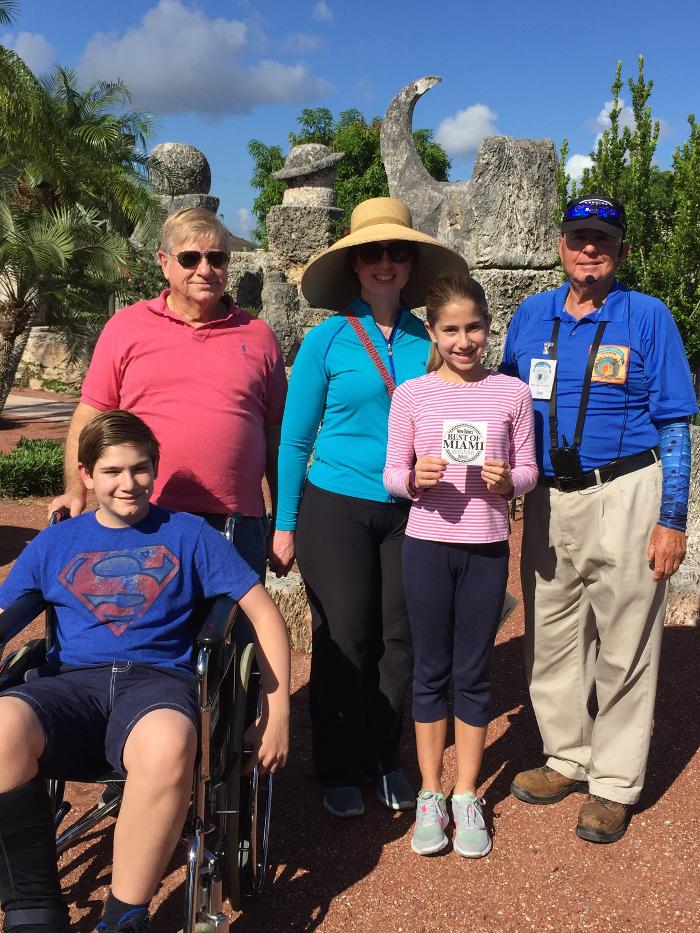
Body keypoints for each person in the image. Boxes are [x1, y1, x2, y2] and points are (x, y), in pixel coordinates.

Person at [0, 410, 291, 933]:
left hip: (157, 683)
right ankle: (33, 907)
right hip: (72, 684)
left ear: (155, 468)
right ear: (87, 474)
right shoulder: (55, 542)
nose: (128, 483)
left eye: (139, 468)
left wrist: (277, 713)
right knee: (2, 726)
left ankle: (124, 917)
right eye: (112, 471)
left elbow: (264, 614)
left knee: (168, 741)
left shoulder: (189, 534)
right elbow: (7, 613)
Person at [502, 194, 698, 843]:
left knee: (626, 641)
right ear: (560, 245)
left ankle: (613, 781)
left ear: (621, 250)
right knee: (551, 634)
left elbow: (675, 422)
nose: (590, 249)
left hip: (626, 490)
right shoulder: (531, 315)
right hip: (548, 498)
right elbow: (503, 402)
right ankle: (567, 755)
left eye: (603, 239)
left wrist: (673, 519)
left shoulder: (647, 316)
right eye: (579, 237)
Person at [270, 197, 468, 818]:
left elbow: (458, 414)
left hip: (412, 507)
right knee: (346, 635)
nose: (385, 262)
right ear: (354, 264)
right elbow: (294, 440)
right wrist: (284, 524)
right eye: (371, 252)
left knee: (400, 638)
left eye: (396, 251)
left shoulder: (429, 340)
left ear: (410, 262)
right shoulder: (326, 339)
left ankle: (384, 758)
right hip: (337, 503)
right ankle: (336, 763)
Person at [383, 275, 537, 857]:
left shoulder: (511, 393)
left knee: (472, 671)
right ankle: (431, 792)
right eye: (451, 329)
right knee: (429, 669)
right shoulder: (413, 394)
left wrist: (509, 481)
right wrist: (413, 479)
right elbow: (391, 473)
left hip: (486, 548)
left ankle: (467, 793)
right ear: (432, 331)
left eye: (473, 327)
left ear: (488, 327)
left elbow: (529, 469)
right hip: (426, 545)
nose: (464, 340)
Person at [50, 207, 286, 581]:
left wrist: (284, 522)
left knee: (238, 619)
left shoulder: (259, 336)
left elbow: (277, 437)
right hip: (143, 516)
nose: (205, 269)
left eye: (217, 258)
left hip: (236, 523)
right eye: (190, 258)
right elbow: (90, 414)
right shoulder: (126, 328)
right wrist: (74, 491)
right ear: (164, 263)